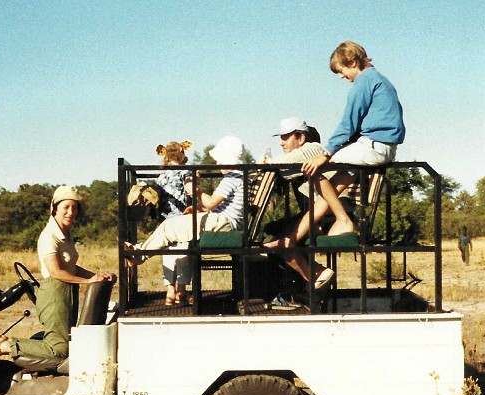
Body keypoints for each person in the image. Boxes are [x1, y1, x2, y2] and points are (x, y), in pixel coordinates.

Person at [265, 41, 405, 289]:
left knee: (314, 168)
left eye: (341, 70)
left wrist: (327, 153)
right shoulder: (377, 80)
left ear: (352, 62)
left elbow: (348, 124)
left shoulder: (364, 82)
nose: (342, 76)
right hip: (377, 145)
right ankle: (291, 240)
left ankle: (343, 221)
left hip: (373, 145)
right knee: (328, 192)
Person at [0, 185, 115, 366]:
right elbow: (56, 271)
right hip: (55, 293)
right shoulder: (49, 236)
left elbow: (70, 266)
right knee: (59, 350)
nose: (71, 212)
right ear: (55, 209)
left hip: (67, 291)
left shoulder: (66, 233)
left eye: (74, 207)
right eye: (66, 207)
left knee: (66, 343)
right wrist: (88, 281)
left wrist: (97, 276)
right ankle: (6, 345)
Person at [125, 136, 245, 267]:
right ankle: (138, 251)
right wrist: (199, 208)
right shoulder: (239, 176)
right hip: (224, 220)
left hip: (224, 222)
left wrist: (196, 191)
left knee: (169, 226)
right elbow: (221, 205)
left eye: (219, 160)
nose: (217, 164)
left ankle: (138, 254)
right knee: (170, 225)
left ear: (228, 160)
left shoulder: (232, 178)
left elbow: (211, 203)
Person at [154, 140, 194, 305]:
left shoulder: (161, 176)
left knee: (168, 252)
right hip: (183, 217)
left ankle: (170, 291)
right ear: (181, 154)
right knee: (184, 252)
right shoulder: (185, 172)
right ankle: (181, 291)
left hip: (166, 219)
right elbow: (190, 190)